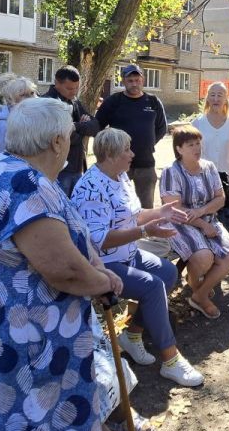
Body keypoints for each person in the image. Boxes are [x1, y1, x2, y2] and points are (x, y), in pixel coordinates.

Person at [0, 97, 155, 431]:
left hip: (18, 334)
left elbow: (73, 232)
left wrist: (94, 265)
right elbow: (64, 271)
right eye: (72, 135)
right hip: (14, 344)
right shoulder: (23, 184)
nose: (75, 142)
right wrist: (102, 280)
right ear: (57, 142)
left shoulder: (16, 171)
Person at [72, 128, 205, 387]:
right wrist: (145, 231)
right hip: (103, 264)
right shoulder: (90, 187)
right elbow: (100, 239)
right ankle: (170, 360)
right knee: (153, 286)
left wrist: (159, 212)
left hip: (128, 255)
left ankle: (132, 335)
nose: (133, 154)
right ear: (110, 155)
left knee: (168, 272)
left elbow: (131, 215)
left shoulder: (120, 176)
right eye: (126, 150)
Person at [159, 125, 229, 319]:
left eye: (198, 144)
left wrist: (202, 212)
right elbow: (174, 209)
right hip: (179, 223)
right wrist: (203, 224)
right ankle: (196, 285)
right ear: (179, 149)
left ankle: (199, 295)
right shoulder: (171, 172)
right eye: (190, 145)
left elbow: (220, 198)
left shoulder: (209, 167)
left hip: (209, 218)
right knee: (204, 257)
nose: (197, 148)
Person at [95, 64, 167, 209]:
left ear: (143, 80)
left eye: (137, 80)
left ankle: (145, 232)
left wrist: (148, 144)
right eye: (130, 80)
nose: (134, 83)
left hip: (145, 164)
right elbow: (98, 127)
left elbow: (161, 128)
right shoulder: (114, 101)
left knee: (146, 208)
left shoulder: (153, 102)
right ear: (123, 81)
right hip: (118, 165)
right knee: (118, 207)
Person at [42, 65, 101, 196]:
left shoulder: (74, 102)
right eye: (69, 88)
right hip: (58, 170)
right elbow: (62, 137)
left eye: (76, 88)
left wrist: (76, 127)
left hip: (77, 167)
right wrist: (82, 130)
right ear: (57, 83)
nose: (74, 92)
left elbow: (96, 126)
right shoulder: (47, 103)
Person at [192, 81, 229, 181]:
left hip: (227, 179)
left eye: (219, 95)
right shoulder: (197, 124)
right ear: (207, 98)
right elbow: (191, 153)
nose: (216, 99)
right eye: (212, 95)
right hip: (203, 178)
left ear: (226, 99)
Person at [0, 73, 37, 158]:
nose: (30, 98)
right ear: (11, 99)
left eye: (32, 93)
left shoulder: (36, 118)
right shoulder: (4, 124)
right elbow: (1, 156)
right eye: (23, 95)